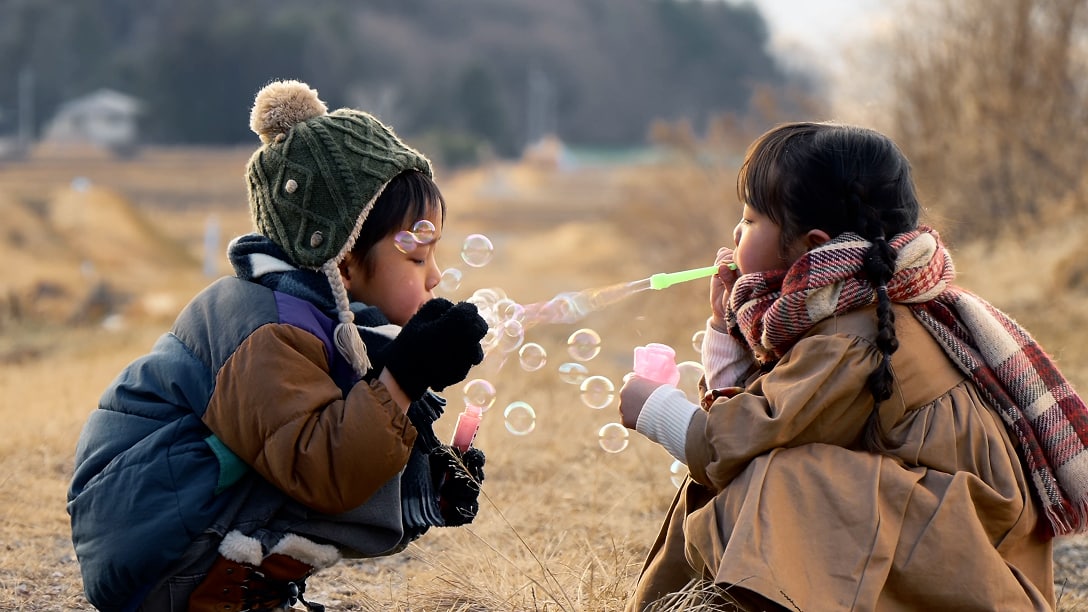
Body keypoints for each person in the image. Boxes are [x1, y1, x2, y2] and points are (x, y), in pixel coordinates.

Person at [618, 121, 1088, 611]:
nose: (736, 233)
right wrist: (724, 329)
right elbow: (758, 422)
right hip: (943, 534)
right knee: (755, 476)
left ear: (812, 246)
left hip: (974, 567)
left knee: (780, 482)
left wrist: (658, 409)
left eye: (752, 219)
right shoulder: (870, 301)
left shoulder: (852, 335)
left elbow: (748, 437)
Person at [67, 79, 489, 612]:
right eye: (416, 256)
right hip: (156, 547)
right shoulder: (267, 326)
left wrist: (431, 484)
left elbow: (351, 453)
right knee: (342, 428)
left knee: (360, 418)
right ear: (343, 256)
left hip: (178, 520)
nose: (435, 276)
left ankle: (237, 584)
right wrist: (403, 377)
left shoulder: (333, 323)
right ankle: (210, 593)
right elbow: (325, 472)